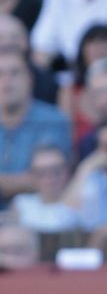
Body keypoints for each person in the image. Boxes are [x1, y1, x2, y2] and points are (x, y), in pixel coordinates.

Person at [0, 47, 71, 201]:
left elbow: (53, 178)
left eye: (14, 73)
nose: (6, 81)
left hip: (40, 216)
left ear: (30, 79)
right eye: (0, 74)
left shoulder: (54, 121)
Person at [11, 143, 81, 231]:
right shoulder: (21, 204)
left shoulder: (82, 203)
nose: (50, 178)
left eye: (56, 171)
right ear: (31, 175)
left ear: (68, 171)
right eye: (41, 173)